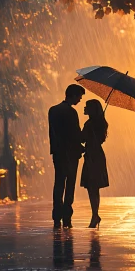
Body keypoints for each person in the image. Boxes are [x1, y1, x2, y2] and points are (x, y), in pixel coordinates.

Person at [48, 84, 86, 228]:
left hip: (58, 153)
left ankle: (57, 215)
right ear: (74, 96)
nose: (80, 100)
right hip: (71, 154)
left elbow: (53, 133)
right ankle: (67, 215)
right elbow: (76, 135)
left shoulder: (53, 111)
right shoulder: (71, 113)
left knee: (59, 184)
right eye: (79, 97)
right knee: (70, 185)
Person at [80, 99, 109, 228]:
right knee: (94, 187)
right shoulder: (101, 124)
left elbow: (82, 138)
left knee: (92, 187)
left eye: (87, 106)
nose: (84, 108)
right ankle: (95, 214)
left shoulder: (90, 124)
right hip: (97, 154)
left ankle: (95, 215)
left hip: (92, 156)